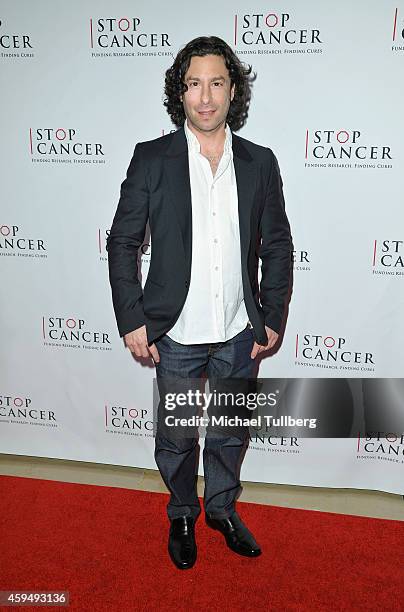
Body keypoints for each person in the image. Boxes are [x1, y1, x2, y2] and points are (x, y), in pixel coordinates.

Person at [106, 36, 293, 569]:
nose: (205, 97)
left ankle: (221, 509)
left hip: (239, 329)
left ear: (233, 90)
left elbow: (277, 244)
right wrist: (132, 317)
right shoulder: (152, 159)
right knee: (178, 435)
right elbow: (122, 242)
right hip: (177, 332)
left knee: (231, 430)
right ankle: (183, 511)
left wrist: (272, 315)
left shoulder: (260, 162)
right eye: (194, 85)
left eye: (216, 83)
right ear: (180, 92)